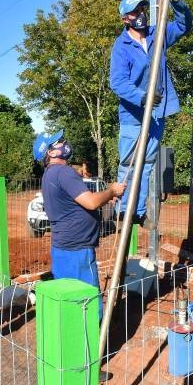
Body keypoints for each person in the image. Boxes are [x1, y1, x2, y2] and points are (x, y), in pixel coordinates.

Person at [109, 0, 192, 224]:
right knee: (129, 162)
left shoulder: (158, 34)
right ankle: (123, 210)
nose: (141, 15)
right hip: (133, 115)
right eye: (135, 12)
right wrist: (141, 97)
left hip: (157, 112)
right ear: (125, 18)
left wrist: (177, 3)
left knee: (147, 163)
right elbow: (117, 82)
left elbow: (184, 25)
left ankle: (139, 212)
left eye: (142, 10)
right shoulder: (121, 46)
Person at [33, 130, 126, 314]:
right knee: (88, 303)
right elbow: (91, 202)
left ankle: (72, 341)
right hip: (77, 251)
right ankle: (94, 341)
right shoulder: (64, 172)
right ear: (50, 152)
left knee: (69, 302)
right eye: (58, 141)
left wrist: (105, 198)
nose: (64, 142)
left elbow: (75, 201)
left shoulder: (50, 175)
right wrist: (112, 191)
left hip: (63, 247)